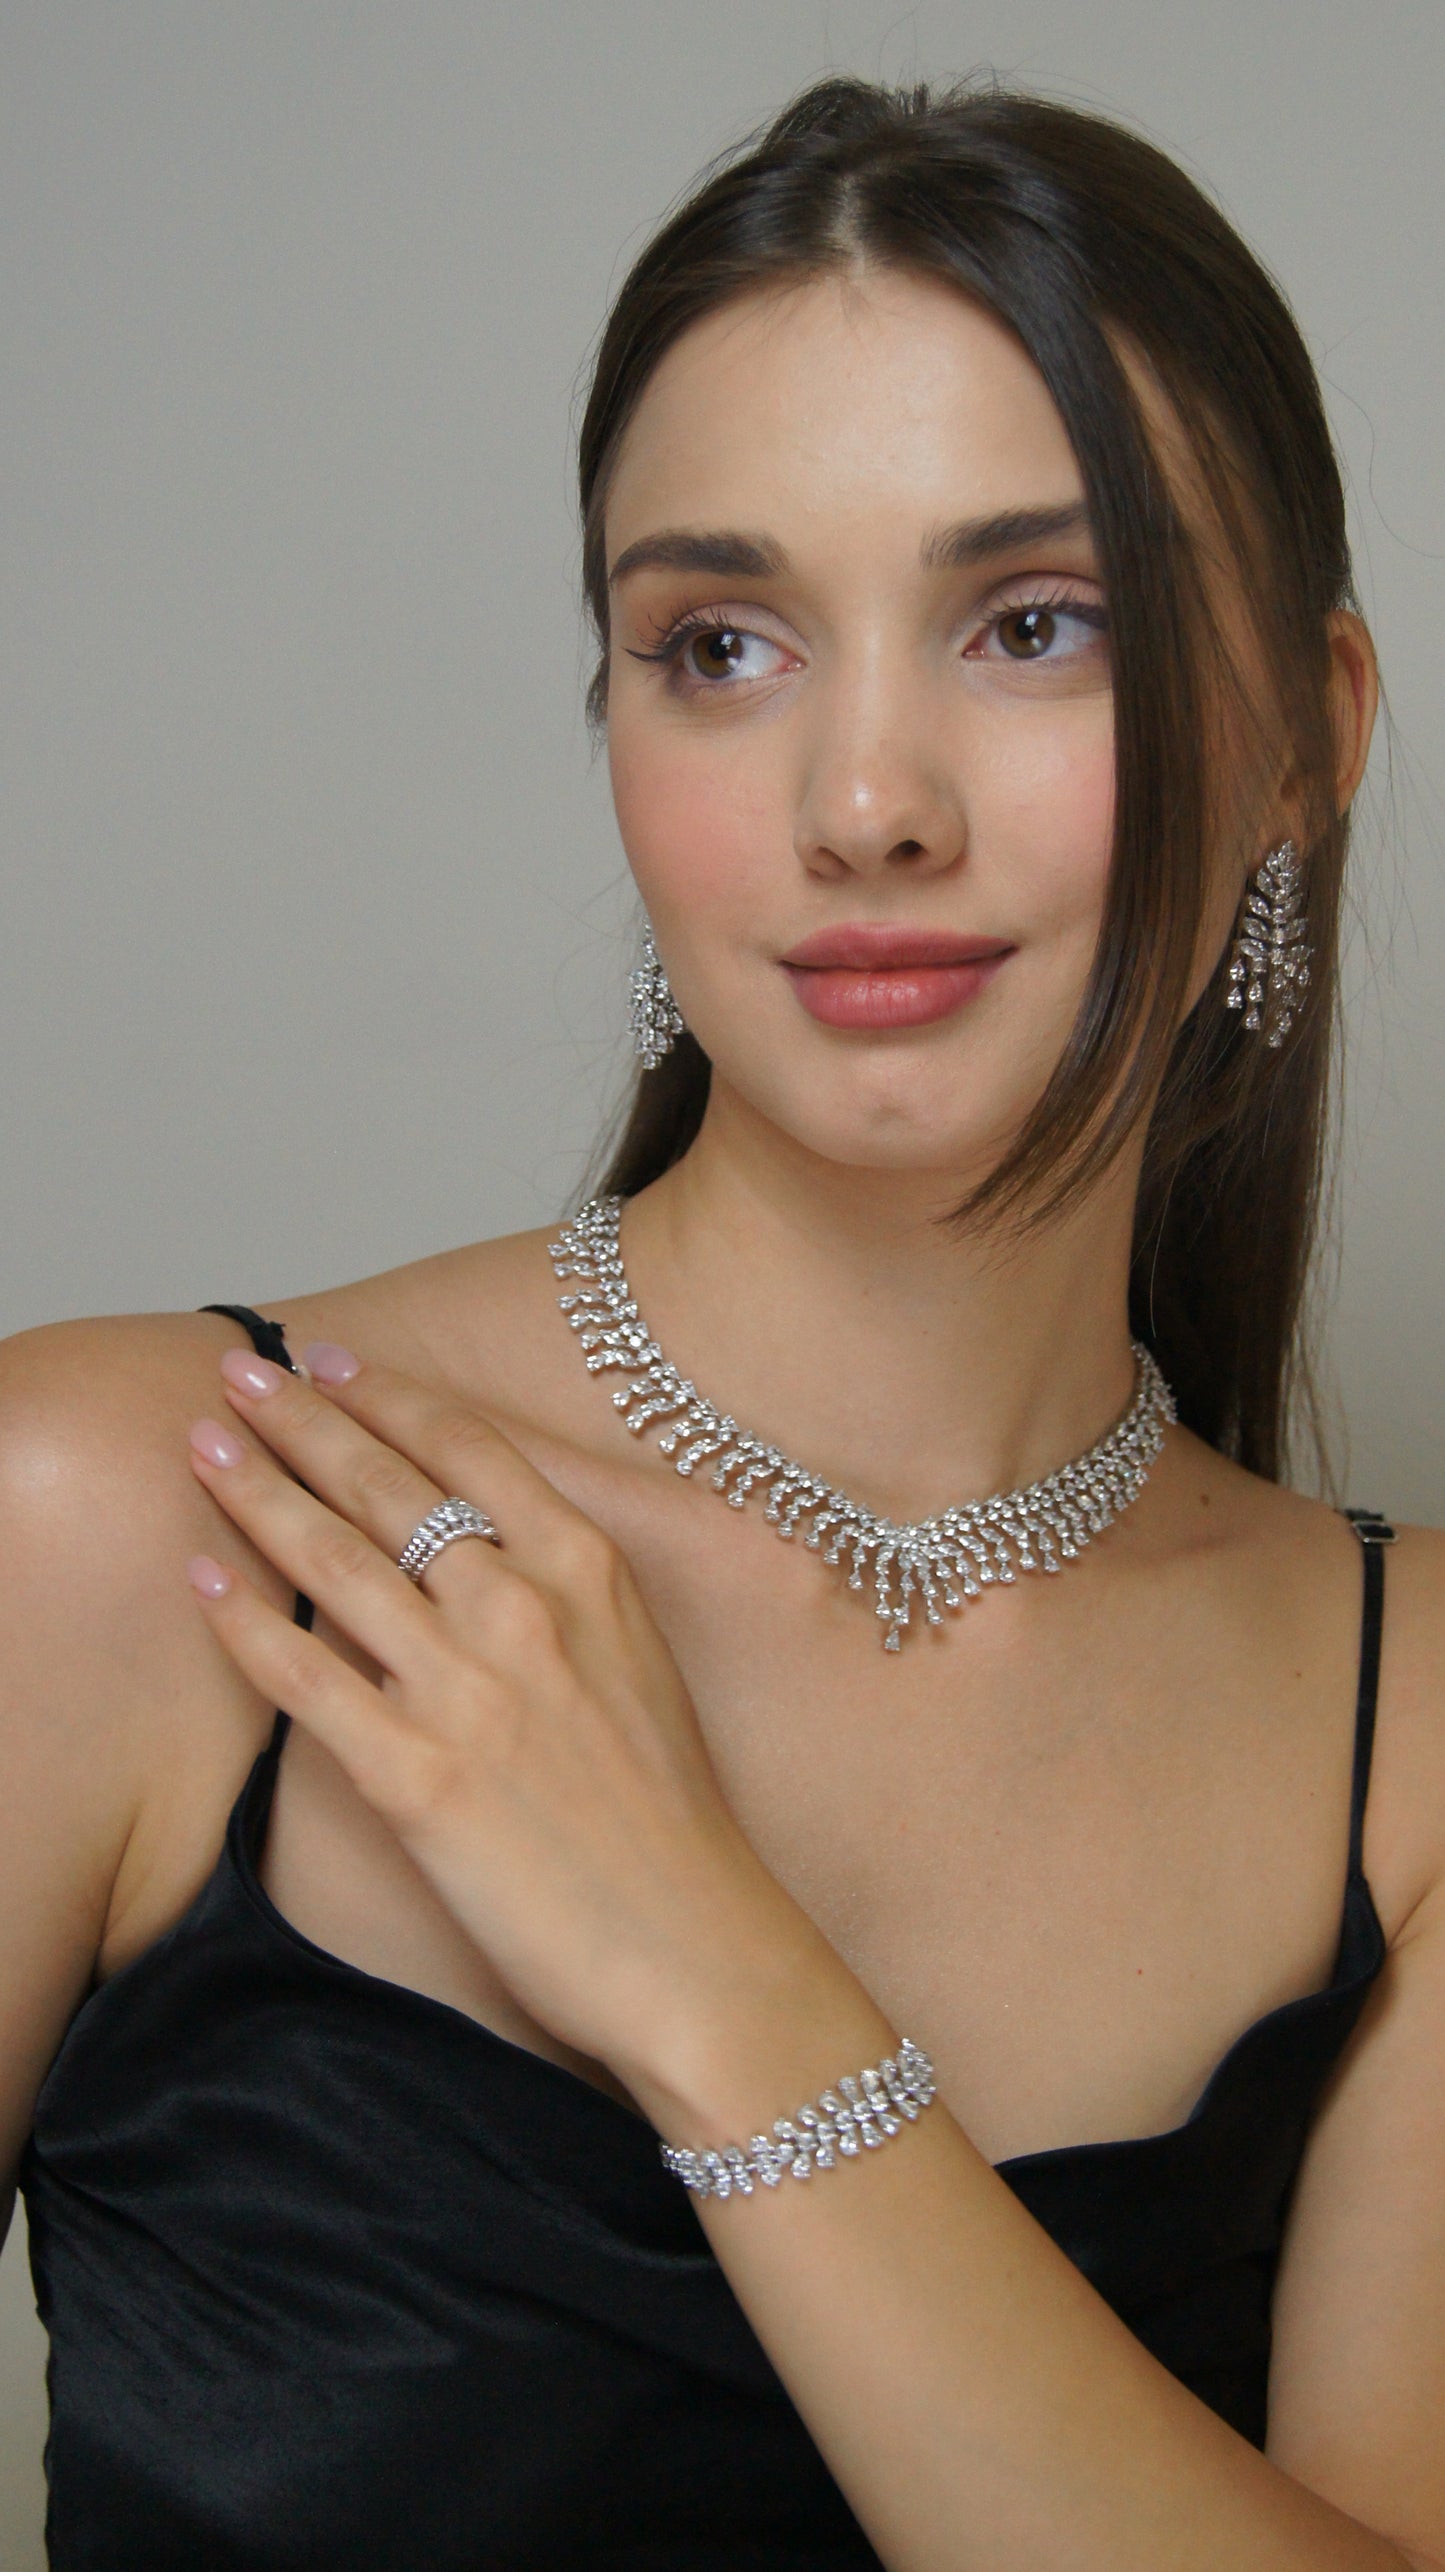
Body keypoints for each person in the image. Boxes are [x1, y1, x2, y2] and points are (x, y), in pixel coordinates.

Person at [3, 71, 1442, 2572]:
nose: (863, 802)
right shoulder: (130, 1522)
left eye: (1037, 622)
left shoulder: (1413, 1746)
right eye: (721, 644)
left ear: (1307, 738)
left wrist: (715, 1975)